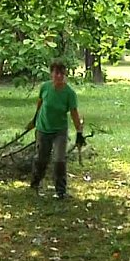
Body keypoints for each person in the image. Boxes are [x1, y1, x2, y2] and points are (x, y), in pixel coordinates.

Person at [26, 59, 85, 199]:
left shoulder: (69, 93)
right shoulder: (45, 88)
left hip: (60, 130)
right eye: (56, 73)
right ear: (51, 74)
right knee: (41, 159)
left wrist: (79, 132)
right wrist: (34, 121)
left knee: (59, 160)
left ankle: (60, 191)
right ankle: (35, 183)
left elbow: (74, 113)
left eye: (62, 73)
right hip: (43, 128)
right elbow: (40, 104)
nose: (59, 76)